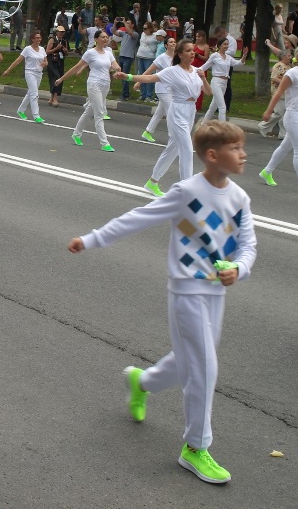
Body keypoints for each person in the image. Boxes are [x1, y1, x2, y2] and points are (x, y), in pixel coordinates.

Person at [68, 120, 256, 485]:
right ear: (213, 155)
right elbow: (137, 218)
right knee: (204, 367)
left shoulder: (239, 198)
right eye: (236, 148)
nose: (243, 153)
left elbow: (248, 245)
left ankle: (143, 382)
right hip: (186, 291)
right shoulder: (187, 192)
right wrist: (91, 239)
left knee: (190, 358)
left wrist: (239, 268)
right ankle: (195, 448)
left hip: (216, 293)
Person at [129, 40, 211, 195]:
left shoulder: (196, 71)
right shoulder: (172, 71)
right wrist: (128, 77)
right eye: (188, 51)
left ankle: (152, 182)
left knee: (173, 149)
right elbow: (150, 78)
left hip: (190, 111)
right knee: (186, 149)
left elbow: (208, 92)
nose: (192, 53)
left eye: (193, 50)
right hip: (177, 110)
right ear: (180, 54)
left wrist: (204, 78)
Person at [260, 44, 298, 194]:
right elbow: (279, 92)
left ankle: (266, 172)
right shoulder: (292, 74)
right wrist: (268, 111)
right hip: (293, 114)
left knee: (285, 147)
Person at [56, 29, 118, 151]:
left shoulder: (109, 52)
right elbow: (77, 67)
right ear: (96, 39)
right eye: (103, 37)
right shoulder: (90, 53)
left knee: (89, 111)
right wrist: (61, 79)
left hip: (106, 84)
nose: (106, 39)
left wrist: (117, 68)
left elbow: (115, 65)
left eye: (107, 37)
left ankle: (76, 134)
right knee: (99, 113)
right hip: (94, 83)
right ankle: (104, 143)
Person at [197, 33, 245, 124]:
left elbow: (238, 63)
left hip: (225, 83)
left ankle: (202, 124)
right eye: (224, 44)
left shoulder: (228, 57)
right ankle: (223, 127)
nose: (226, 46)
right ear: (219, 45)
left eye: (227, 44)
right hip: (216, 82)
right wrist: (192, 71)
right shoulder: (214, 56)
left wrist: (244, 56)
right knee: (222, 107)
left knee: (213, 107)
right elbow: (203, 67)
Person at [1, 31, 47, 123]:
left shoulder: (42, 49)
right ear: (32, 39)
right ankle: (36, 116)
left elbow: (46, 61)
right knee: (34, 94)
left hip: (39, 73)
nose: (39, 39)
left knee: (31, 93)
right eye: (37, 38)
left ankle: (21, 110)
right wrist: (8, 70)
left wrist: (45, 63)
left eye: (40, 38)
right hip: (30, 72)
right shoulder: (27, 49)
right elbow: (18, 60)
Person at [140, 36, 179, 143]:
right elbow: (148, 71)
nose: (173, 43)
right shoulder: (161, 58)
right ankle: (172, 136)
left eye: (174, 42)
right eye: (170, 42)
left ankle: (147, 132)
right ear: (166, 45)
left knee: (159, 113)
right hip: (162, 89)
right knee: (171, 112)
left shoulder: (176, 58)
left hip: (171, 89)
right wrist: (139, 81)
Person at [258, 42, 291, 139]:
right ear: (283, 57)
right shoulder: (278, 66)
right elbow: (274, 78)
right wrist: (284, 83)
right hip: (279, 94)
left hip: (287, 94)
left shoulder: (289, 67)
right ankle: (263, 126)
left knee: (285, 115)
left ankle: (283, 134)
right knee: (278, 114)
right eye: (289, 55)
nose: (290, 57)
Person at [113, 17, 139, 101]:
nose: (126, 24)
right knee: (121, 75)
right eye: (126, 23)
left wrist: (124, 23)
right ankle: (125, 93)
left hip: (128, 57)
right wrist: (115, 23)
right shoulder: (124, 33)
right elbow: (114, 32)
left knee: (125, 75)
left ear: (132, 25)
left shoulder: (135, 34)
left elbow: (131, 33)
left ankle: (125, 95)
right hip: (121, 56)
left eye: (128, 23)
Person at [135, 21, 159, 103]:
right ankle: (142, 94)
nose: (144, 30)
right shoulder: (143, 34)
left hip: (149, 57)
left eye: (146, 28)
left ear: (150, 29)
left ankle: (149, 95)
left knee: (148, 75)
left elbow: (161, 41)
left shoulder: (155, 36)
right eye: (143, 28)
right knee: (141, 75)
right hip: (140, 55)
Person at [45, 25, 68, 108]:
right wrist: (56, 48)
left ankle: (52, 97)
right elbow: (47, 51)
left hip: (60, 61)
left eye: (63, 32)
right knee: (55, 77)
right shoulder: (52, 40)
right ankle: (55, 98)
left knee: (60, 77)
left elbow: (66, 53)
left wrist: (65, 51)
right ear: (56, 32)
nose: (61, 34)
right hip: (52, 61)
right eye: (60, 32)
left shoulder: (64, 41)